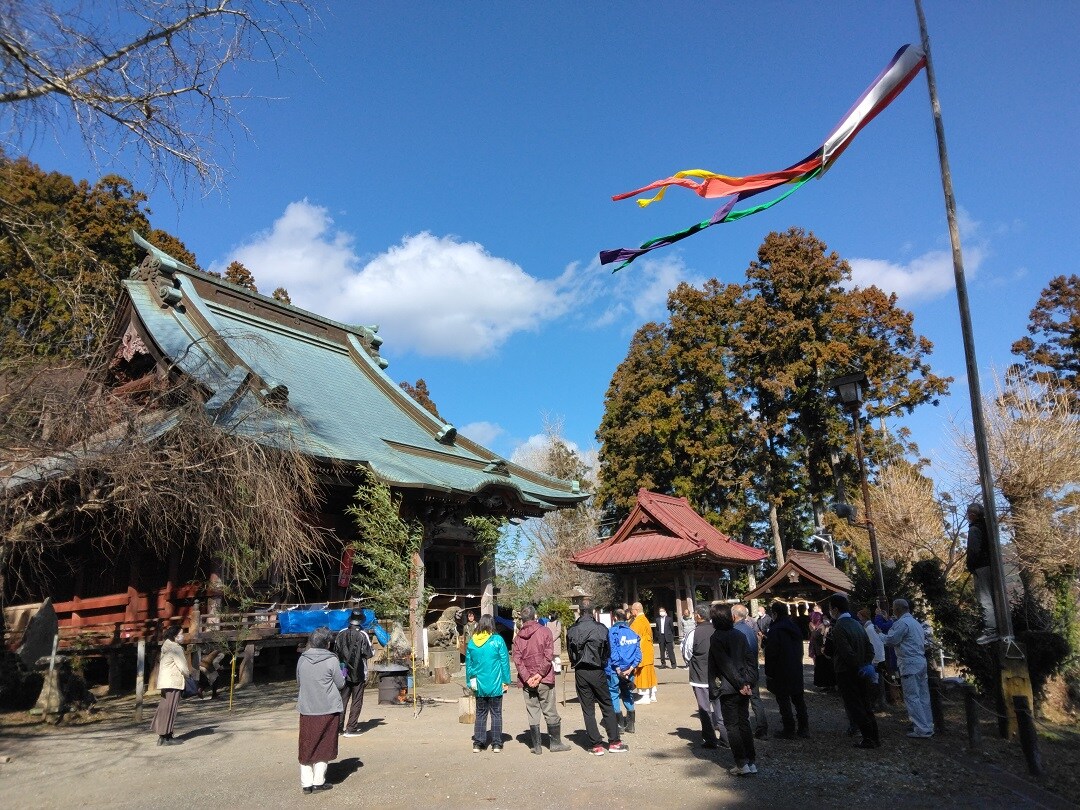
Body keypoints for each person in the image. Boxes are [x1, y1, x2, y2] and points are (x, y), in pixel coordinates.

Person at [566, 599, 626, 755]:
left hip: (581, 671)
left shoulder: (572, 630)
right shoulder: (601, 628)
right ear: (593, 612)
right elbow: (607, 651)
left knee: (588, 709)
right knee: (606, 704)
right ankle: (614, 741)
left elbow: (571, 653)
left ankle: (596, 744)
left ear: (579, 611)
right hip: (597, 669)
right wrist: (601, 661)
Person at [511, 605, 569, 754]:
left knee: (532, 711)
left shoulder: (517, 638)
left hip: (527, 681)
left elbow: (517, 660)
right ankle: (555, 743)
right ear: (535, 616)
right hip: (544, 679)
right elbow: (548, 655)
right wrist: (540, 674)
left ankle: (536, 746)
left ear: (522, 619)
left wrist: (528, 677)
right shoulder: (545, 631)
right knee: (550, 710)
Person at [825, 593, 880, 750]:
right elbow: (869, 648)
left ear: (835, 609)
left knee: (854, 705)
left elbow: (846, 652)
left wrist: (856, 665)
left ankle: (868, 737)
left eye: (830, 608)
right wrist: (866, 664)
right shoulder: (857, 624)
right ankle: (874, 736)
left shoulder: (839, 628)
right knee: (865, 703)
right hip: (863, 669)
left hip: (846, 671)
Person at [708, 603, 757, 776]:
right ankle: (751, 761)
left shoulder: (717, 637)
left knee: (733, 726)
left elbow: (724, 664)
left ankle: (741, 763)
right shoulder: (739, 634)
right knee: (744, 723)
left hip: (730, 687)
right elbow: (751, 660)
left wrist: (741, 683)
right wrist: (749, 682)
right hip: (744, 685)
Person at [296, 626, 344, 793]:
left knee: (306, 744)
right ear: (327, 644)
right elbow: (340, 684)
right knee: (324, 744)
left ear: (311, 642)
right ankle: (318, 782)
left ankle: (306, 784)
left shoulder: (302, 659)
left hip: (307, 709)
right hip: (328, 708)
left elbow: (299, 682)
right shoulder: (332, 660)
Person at [885, 598, 934, 738]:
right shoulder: (916, 623)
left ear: (898, 609)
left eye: (893, 609)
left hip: (909, 663)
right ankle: (928, 724)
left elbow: (892, 640)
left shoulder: (902, 623)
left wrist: (881, 635)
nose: (892, 611)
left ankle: (921, 728)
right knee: (924, 696)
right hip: (920, 661)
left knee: (912, 696)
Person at [683, 605, 728, 749]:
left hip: (700, 676)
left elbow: (687, 653)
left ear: (698, 616)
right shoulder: (720, 631)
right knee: (720, 708)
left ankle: (710, 738)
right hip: (718, 676)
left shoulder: (694, 633)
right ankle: (725, 737)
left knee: (704, 708)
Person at [763, 601, 808, 739]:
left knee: (783, 700)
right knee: (798, 699)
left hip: (780, 669)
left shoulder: (775, 630)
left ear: (775, 614)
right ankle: (804, 728)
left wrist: (769, 672)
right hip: (795, 666)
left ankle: (789, 728)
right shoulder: (794, 627)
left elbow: (772, 653)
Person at [466, 614, 511, 752]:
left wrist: (470, 683)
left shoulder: (472, 642)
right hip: (495, 684)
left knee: (480, 713)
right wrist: (506, 680)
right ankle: (497, 743)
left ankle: (478, 743)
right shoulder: (497, 640)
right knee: (496, 713)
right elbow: (504, 662)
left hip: (479, 685)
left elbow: (469, 666)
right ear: (492, 624)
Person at [334, 611, 374, 737]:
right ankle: (351, 728)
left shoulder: (341, 633)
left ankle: (338, 728)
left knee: (342, 700)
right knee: (356, 700)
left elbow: (336, 651)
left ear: (350, 619)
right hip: (359, 672)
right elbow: (369, 653)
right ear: (361, 620)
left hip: (343, 671)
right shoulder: (363, 635)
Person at [732, 603, 768, 740]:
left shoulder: (736, 631)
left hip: (743, 671)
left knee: (742, 702)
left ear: (734, 616)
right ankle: (762, 728)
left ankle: (743, 730)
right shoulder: (749, 629)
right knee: (756, 699)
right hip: (753, 668)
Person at [150, 624, 191, 746]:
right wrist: (189, 676)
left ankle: (162, 736)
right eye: (181, 634)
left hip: (165, 682)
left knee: (164, 708)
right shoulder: (176, 648)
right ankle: (167, 737)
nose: (183, 636)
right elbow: (183, 668)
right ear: (175, 636)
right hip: (173, 682)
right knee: (170, 709)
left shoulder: (165, 646)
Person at [966, 501, 999, 645]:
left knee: (985, 598)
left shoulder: (974, 530)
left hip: (981, 566)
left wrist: (971, 566)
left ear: (972, 515)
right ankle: (998, 625)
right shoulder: (988, 527)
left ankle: (991, 630)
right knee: (994, 596)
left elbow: (973, 550)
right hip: (992, 565)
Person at [606, 608, 641, 734]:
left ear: (614, 617)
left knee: (614, 693)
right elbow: (638, 654)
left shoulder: (612, 632)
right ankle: (631, 724)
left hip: (615, 670)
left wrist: (618, 668)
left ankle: (619, 724)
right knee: (627, 693)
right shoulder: (633, 632)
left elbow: (613, 651)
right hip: (629, 670)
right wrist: (632, 667)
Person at [857, 607, 887, 711]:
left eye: (860, 616)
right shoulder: (868, 627)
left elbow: (876, 644)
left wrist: (875, 659)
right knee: (874, 681)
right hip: (874, 658)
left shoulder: (870, 629)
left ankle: (876, 704)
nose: (859, 619)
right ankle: (874, 703)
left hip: (875, 659)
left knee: (874, 682)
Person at [629, 602, 657, 703]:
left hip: (642, 649)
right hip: (648, 648)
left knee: (642, 672)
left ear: (636, 610)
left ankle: (645, 696)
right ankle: (652, 693)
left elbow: (632, 636)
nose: (631, 612)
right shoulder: (645, 619)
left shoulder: (638, 621)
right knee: (650, 671)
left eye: (632, 610)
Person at [809, 610, 835, 691]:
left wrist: (813, 630)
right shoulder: (821, 626)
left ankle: (830, 685)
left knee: (826, 669)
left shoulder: (823, 627)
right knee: (823, 669)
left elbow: (817, 636)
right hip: (819, 651)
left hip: (823, 651)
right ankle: (826, 685)